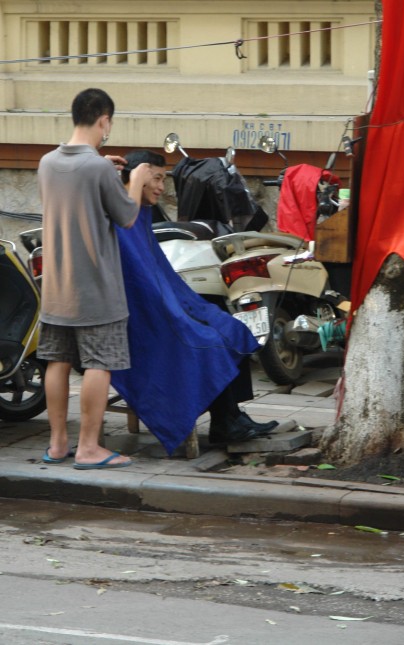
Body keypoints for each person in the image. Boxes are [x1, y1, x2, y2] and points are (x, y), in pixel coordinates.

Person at [110, 149, 278, 454]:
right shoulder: (121, 217)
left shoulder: (141, 214)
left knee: (227, 325)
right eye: (157, 179)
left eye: (164, 179)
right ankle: (226, 421)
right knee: (208, 340)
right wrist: (177, 313)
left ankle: (229, 417)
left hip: (162, 305)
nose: (162, 188)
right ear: (138, 176)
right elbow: (138, 283)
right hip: (141, 320)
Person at [37, 88, 154, 470]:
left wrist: (105, 168)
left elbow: (78, 188)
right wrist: (134, 178)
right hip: (96, 289)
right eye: (109, 124)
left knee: (57, 362)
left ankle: (57, 445)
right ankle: (89, 448)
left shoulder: (47, 162)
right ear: (104, 120)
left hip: (56, 288)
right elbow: (126, 216)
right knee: (99, 364)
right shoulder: (101, 168)